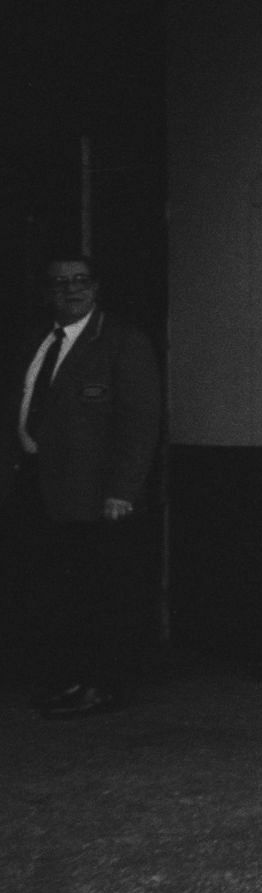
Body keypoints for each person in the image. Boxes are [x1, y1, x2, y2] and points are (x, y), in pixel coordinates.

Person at [2, 253, 163, 718]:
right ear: (46, 291)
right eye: (59, 283)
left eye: (79, 281)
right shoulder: (33, 340)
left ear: (96, 287)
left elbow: (139, 421)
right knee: (51, 591)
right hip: (34, 485)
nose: (69, 289)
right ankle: (68, 680)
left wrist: (123, 490)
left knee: (99, 593)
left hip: (95, 493)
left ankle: (102, 685)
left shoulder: (120, 341)